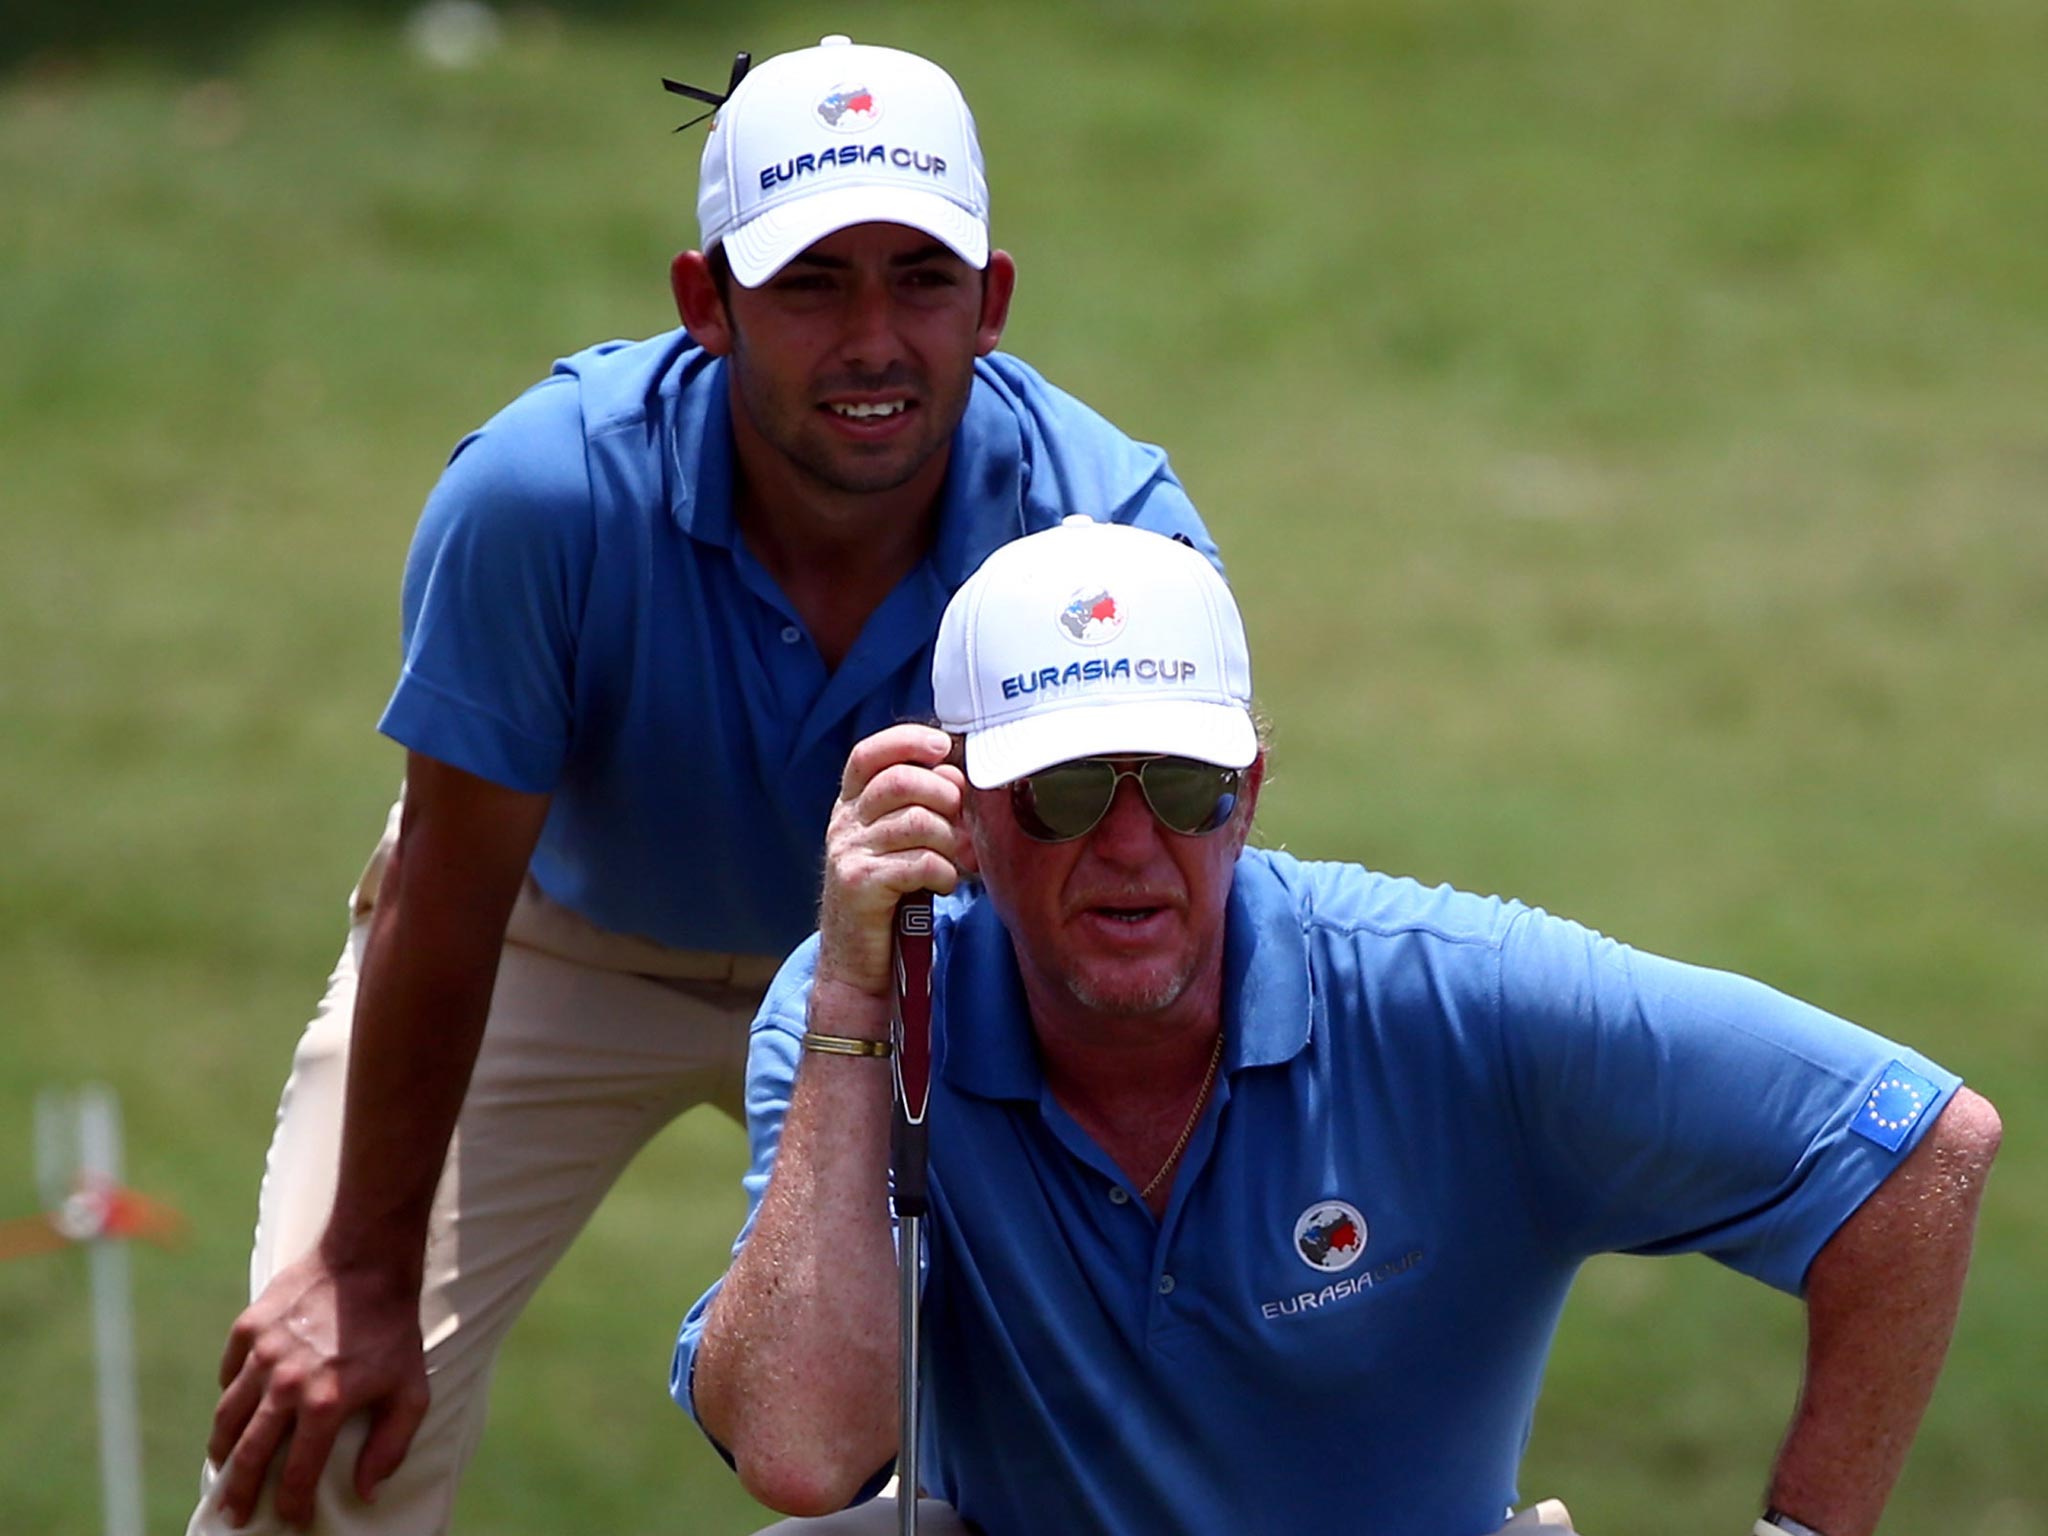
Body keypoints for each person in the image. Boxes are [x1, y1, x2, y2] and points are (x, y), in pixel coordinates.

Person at [192, 36, 1222, 1536]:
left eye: (921, 281)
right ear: (705, 302)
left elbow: (1163, 916)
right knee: (326, 1412)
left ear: (992, 304)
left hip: (939, 974)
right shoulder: (545, 497)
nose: (874, 338)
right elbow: (448, 891)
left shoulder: (1108, 546)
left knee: (1041, 1443)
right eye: (811, 284)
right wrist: (360, 1271)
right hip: (561, 945)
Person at [675, 516, 2003, 1536]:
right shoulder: (867, 1007)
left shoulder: (1455, 998)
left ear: (1250, 792)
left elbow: (1919, 1150)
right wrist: (853, 998)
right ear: (961, 811)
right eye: (1069, 791)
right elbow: (800, 1453)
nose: (1134, 846)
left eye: (1186, 787)